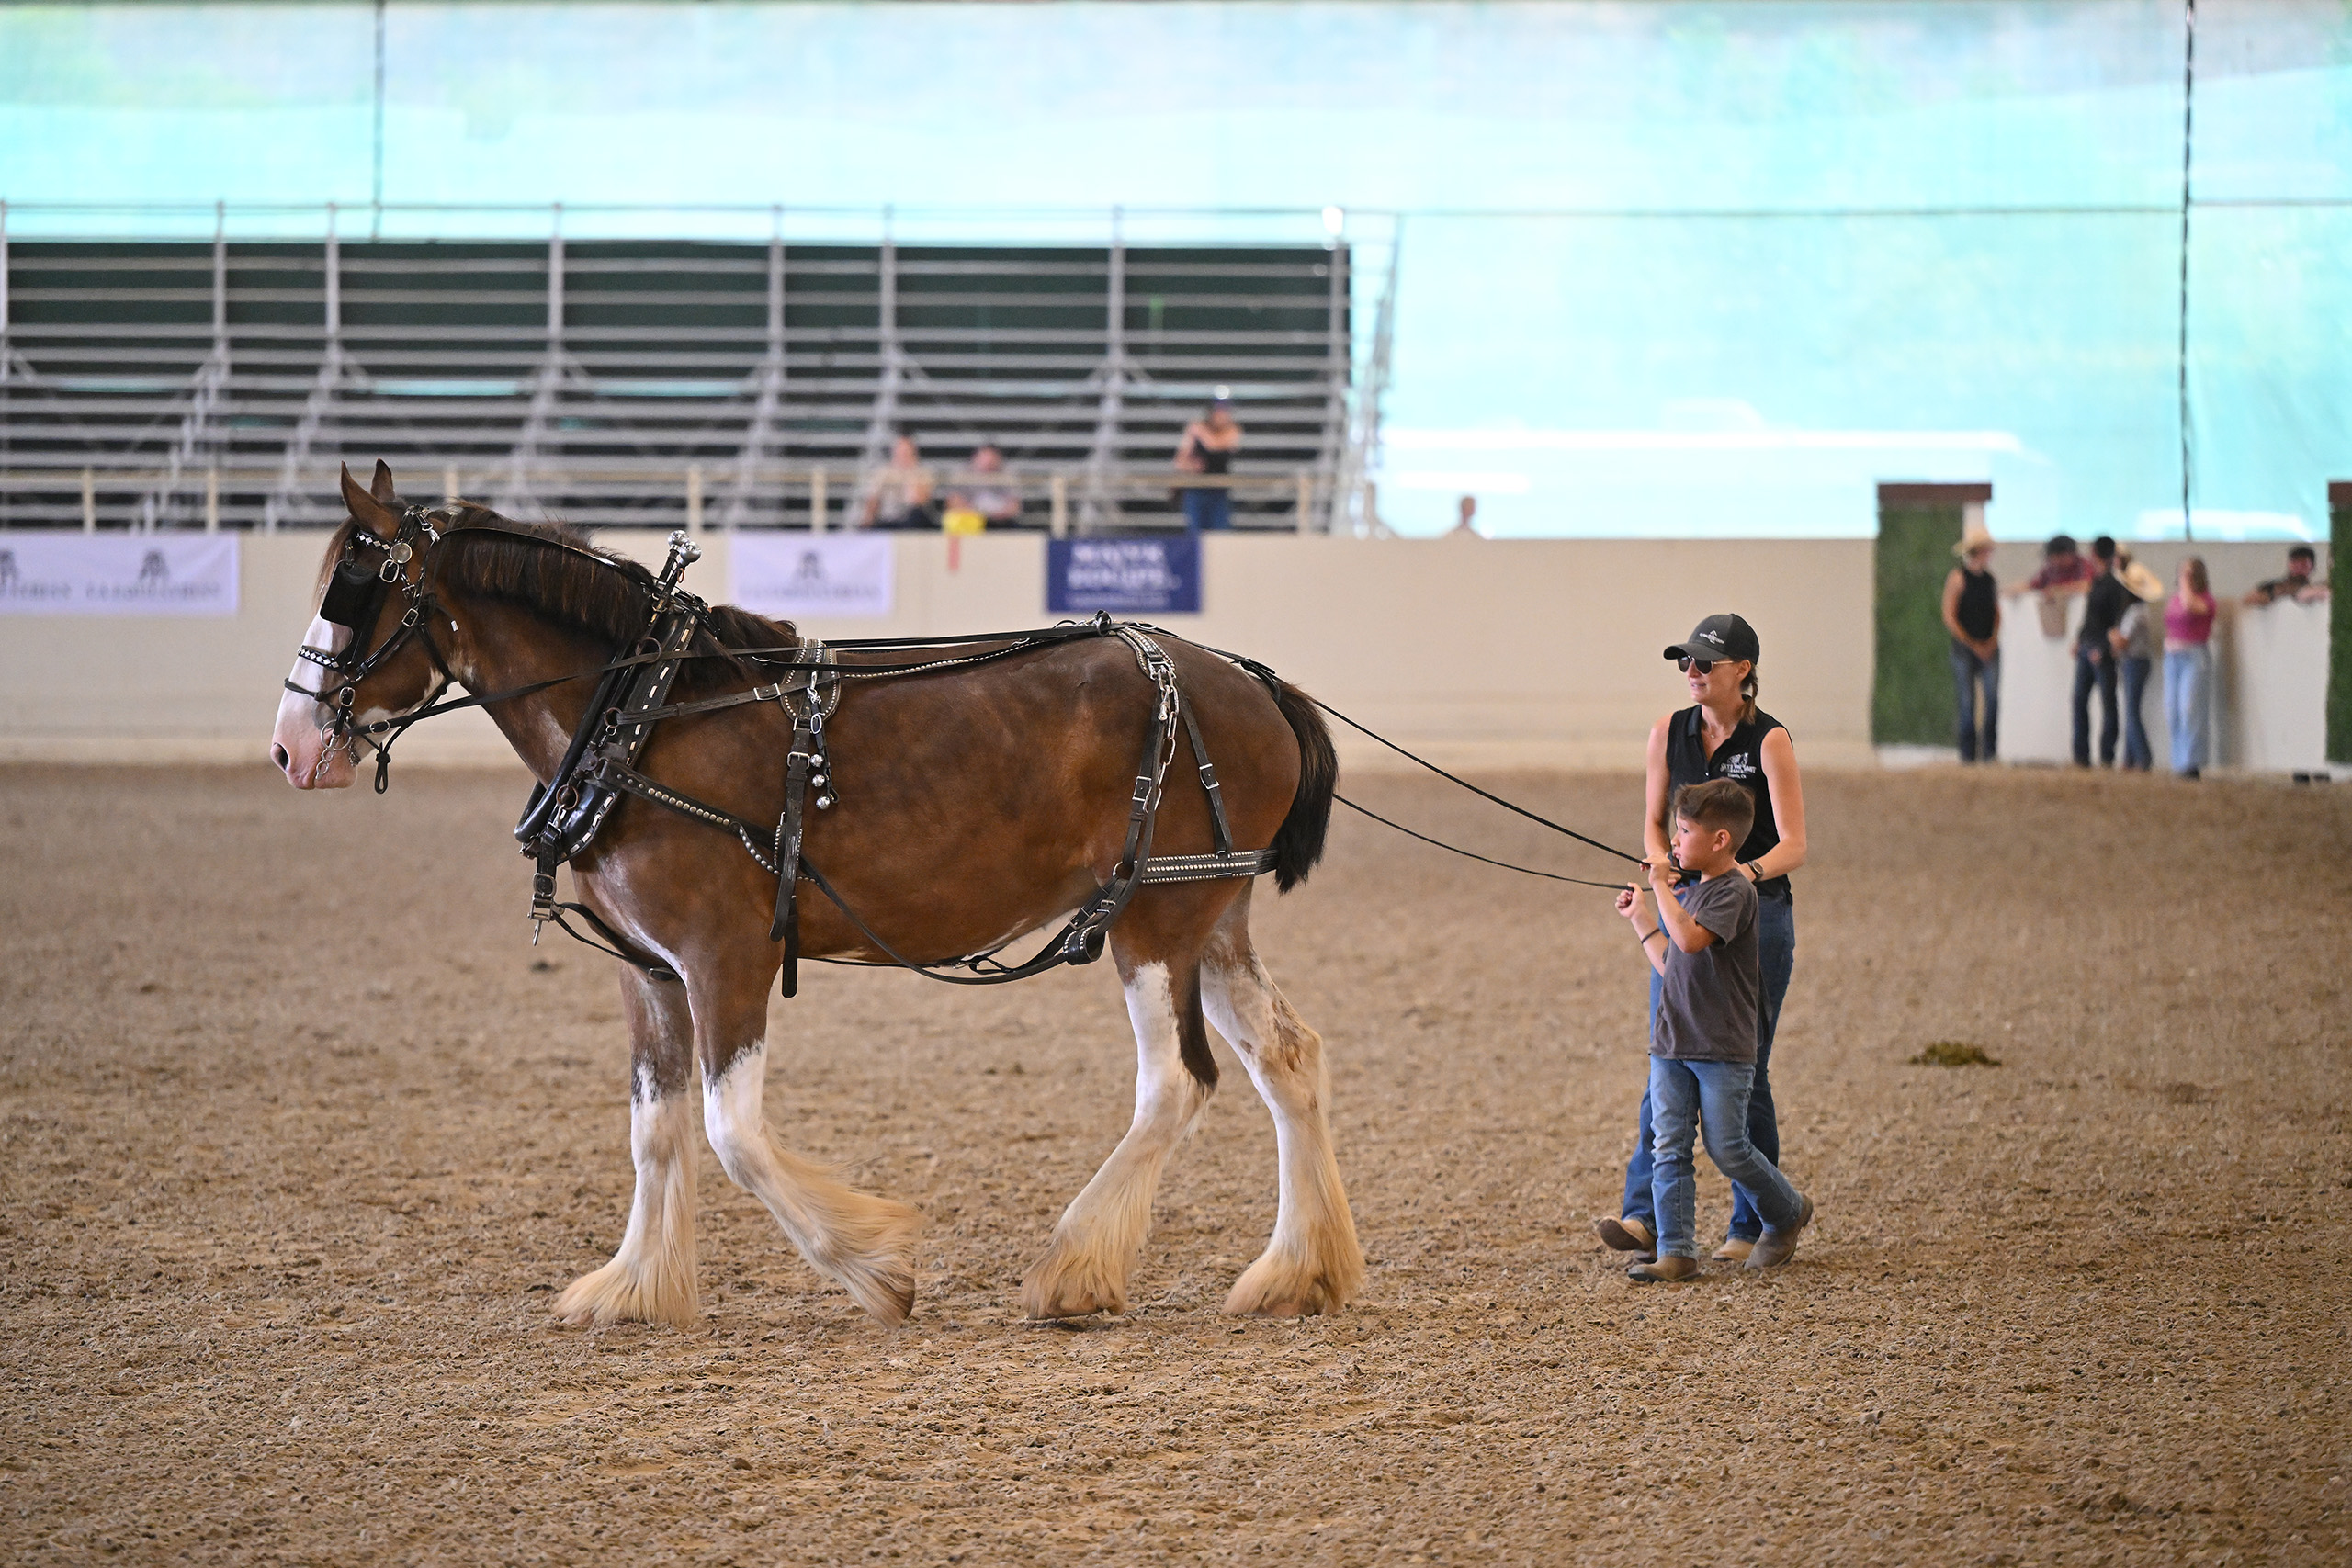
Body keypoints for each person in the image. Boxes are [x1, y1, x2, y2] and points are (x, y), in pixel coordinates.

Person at [1593, 613, 1806, 1265]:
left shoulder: (1770, 740)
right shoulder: (1669, 731)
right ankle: (1647, 1217)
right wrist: (1666, 868)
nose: (1691, 671)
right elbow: (1654, 824)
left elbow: (1794, 843)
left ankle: (1754, 1220)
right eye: (1685, 661)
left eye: (1704, 662)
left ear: (1742, 670)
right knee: (1670, 1053)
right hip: (1682, 905)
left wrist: (1737, 876)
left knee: (1746, 1068)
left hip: (1756, 914)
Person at [1611, 779, 1814, 1282]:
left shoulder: (1735, 892)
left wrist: (1662, 886)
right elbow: (1671, 962)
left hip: (1722, 1046)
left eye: (1683, 831)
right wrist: (1641, 918)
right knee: (1668, 1145)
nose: (1674, 842)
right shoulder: (1692, 892)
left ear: (1720, 840)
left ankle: (1787, 1211)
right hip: (1673, 1041)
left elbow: (1690, 940)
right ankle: (1676, 1250)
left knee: (1728, 1147)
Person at [2071, 536, 2133, 768]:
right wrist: (2080, 638)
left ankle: (2106, 754)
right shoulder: (2097, 581)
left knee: (2107, 703)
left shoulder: (2114, 586)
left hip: (2100, 650)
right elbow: (2090, 617)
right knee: (2080, 700)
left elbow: (2117, 622)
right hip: (2089, 645)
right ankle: (2082, 755)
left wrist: (2105, 649)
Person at [1941, 520, 2000, 761]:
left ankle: (1989, 752)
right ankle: (1968, 754)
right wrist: (1972, 643)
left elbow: (1996, 612)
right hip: (1965, 649)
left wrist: (1992, 640)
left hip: (1987, 645)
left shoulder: (1990, 580)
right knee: (1967, 703)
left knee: (1992, 699)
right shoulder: (1958, 578)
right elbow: (1950, 615)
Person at [2110, 552, 2165, 772]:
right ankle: (2130, 758)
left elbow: (2122, 641)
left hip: (2135, 661)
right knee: (2131, 709)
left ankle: (2142, 757)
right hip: (2136, 661)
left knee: (2132, 711)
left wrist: (2112, 636)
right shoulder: (2138, 611)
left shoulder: (2135, 612)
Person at [2164, 556, 2217, 778]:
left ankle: (2192, 762)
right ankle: (2178, 761)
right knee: (2172, 710)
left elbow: (2190, 606)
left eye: (2188, 573)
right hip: (2172, 657)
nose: (2182, 577)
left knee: (2190, 708)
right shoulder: (2174, 599)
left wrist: (2185, 583)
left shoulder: (2206, 600)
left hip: (2194, 656)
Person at [1174, 391, 1244, 533]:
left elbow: (1215, 446)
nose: (1222, 414)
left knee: (1221, 534)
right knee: (1195, 535)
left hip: (1219, 491)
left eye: (1225, 410)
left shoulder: (1232, 429)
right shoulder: (1196, 428)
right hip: (1196, 489)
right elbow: (1179, 461)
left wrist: (1199, 432)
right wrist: (1192, 466)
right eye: (1219, 410)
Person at [2007, 534, 2098, 639]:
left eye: (2059, 558)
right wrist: (2013, 589)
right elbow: (2032, 585)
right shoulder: (2050, 569)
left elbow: (2087, 585)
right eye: (2052, 559)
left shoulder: (2083, 565)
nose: (2055, 562)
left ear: (2069, 555)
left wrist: (2059, 591)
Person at [860, 434, 936, 530]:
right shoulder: (884, 472)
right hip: (888, 519)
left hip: (912, 519)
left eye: (906, 451)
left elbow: (920, 501)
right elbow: (873, 499)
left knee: (916, 514)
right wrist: (868, 519)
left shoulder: (923, 472)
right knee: (868, 523)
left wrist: (910, 474)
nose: (903, 454)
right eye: (900, 451)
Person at [948, 444, 1023, 528]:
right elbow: (953, 502)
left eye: (992, 462)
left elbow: (1015, 506)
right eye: (985, 461)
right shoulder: (963, 473)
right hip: (970, 520)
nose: (988, 465)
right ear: (976, 459)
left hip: (1001, 521)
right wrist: (974, 512)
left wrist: (1001, 513)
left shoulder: (1007, 474)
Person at [2244, 545, 2330, 606]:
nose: (2299, 567)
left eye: (2303, 564)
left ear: (2312, 567)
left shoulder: (2316, 588)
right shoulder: (2270, 587)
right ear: (2289, 564)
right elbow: (2248, 599)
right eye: (2295, 563)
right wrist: (2269, 596)